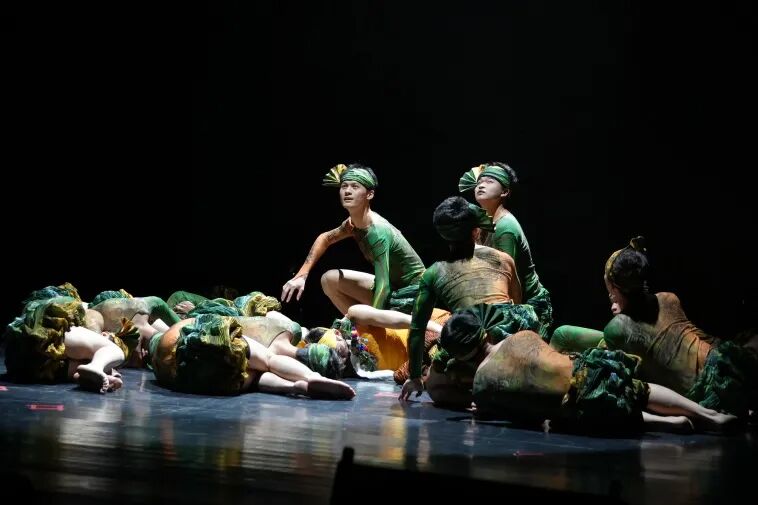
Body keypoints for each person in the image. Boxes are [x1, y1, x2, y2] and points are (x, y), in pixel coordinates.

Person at [414, 305, 739, 434]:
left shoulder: (483, 386)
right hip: (591, 374)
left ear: (461, 355)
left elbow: (520, 414)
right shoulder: (521, 337)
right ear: (484, 333)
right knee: (637, 389)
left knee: (581, 411)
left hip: (578, 410)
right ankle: (708, 415)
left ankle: (667, 424)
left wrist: (483, 408)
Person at [550, 237, 758, 417]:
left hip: (705, 393)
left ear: (612, 287)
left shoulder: (617, 328)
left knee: (565, 338)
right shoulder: (668, 298)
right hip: (727, 366)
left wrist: (620, 315)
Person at [399, 196, 541, 400]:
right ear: (476, 231)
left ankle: (482, 392)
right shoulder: (504, 259)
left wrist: (414, 376)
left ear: (443, 235)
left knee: (435, 387)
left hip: (472, 343)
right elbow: (516, 304)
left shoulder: (433, 273)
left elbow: (417, 328)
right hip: (511, 339)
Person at [281, 163, 426, 314]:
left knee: (366, 312)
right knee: (329, 280)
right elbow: (325, 238)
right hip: (393, 285)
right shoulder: (352, 224)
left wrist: (373, 318)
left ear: (369, 194)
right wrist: (301, 275)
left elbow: (383, 286)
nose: (347, 191)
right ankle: (357, 323)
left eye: (355, 186)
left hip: (415, 293)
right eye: (344, 186)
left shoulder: (377, 231)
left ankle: (368, 325)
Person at [147, 314, 355, 399]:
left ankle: (302, 382)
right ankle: (301, 382)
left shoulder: (288, 330)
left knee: (267, 362)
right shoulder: (290, 332)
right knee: (255, 376)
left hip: (183, 370)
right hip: (209, 368)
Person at [459, 162, 553, 337]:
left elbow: (507, 277)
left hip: (527, 303)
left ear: (504, 192)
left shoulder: (505, 227)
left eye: (489, 181)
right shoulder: (481, 221)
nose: (481, 185)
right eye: (479, 182)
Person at [4, 295, 127, 393]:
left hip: (25, 363)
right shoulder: (92, 317)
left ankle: (94, 368)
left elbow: (81, 370)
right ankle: (96, 366)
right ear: (105, 334)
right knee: (115, 351)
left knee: (95, 361)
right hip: (43, 339)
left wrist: (106, 375)